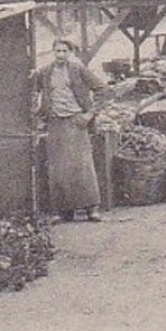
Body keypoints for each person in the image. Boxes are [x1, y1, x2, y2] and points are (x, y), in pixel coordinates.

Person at [32, 39, 106, 223]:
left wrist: (89, 114)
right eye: (57, 51)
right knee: (58, 168)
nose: (61, 55)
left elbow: (103, 90)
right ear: (52, 52)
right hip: (55, 123)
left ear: (70, 52)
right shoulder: (45, 72)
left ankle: (91, 208)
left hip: (76, 122)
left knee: (82, 165)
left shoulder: (78, 70)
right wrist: (37, 110)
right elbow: (30, 90)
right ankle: (62, 211)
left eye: (65, 51)